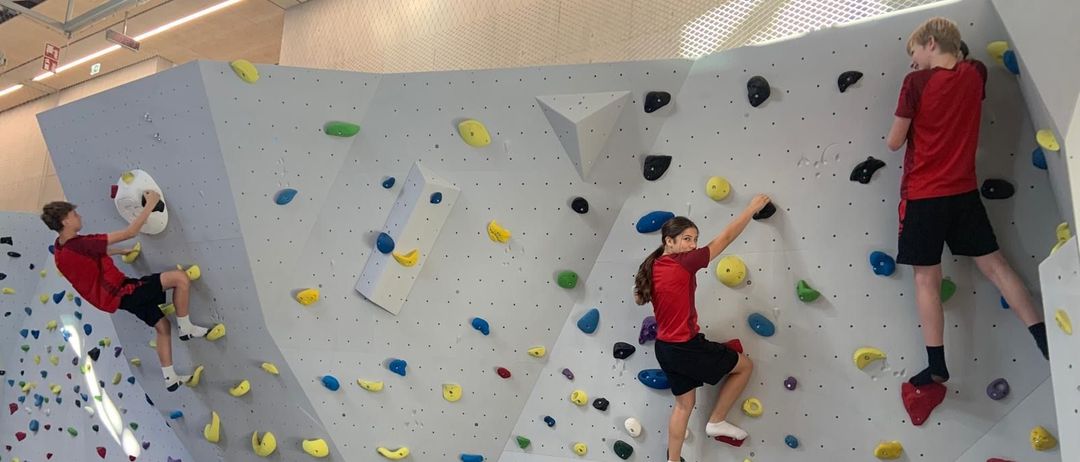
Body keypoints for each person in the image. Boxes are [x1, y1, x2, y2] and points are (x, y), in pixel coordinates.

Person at [885, 17, 1048, 387]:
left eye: (914, 52)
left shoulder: (914, 84)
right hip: (963, 192)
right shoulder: (975, 74)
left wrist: (918, 86)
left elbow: (893, 142)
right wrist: (940, 58)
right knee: (996, 267)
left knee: (927, 279)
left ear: (929, 42)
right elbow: (961, 59)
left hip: (924, 195)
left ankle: (937, 363)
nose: (912, 62)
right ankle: (1042, 337)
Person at [634, 194, 770, 462]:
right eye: (687, 239)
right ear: (669, 241)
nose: (692, 245)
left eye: (695, 239)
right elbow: (726, 238)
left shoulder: (654, 265)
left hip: (665, 349)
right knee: (744, 366)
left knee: (684, 406)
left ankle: (673, 460)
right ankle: (717, 421)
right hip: (685, 347)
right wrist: (751, 208)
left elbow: (646, 296)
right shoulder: (684, 262)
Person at [41, 192, 211, 391]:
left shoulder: (60, 252)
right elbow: (130, 232)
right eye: (74, 214)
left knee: (162, 325)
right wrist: (151, 204)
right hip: (123, 291)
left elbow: (87, 261)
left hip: (116, 299)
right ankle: (186, 328)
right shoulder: (81, 244)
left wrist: (118, 252)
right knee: (180, 278)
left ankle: (170, 378)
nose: (79, 216)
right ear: (65, 221)